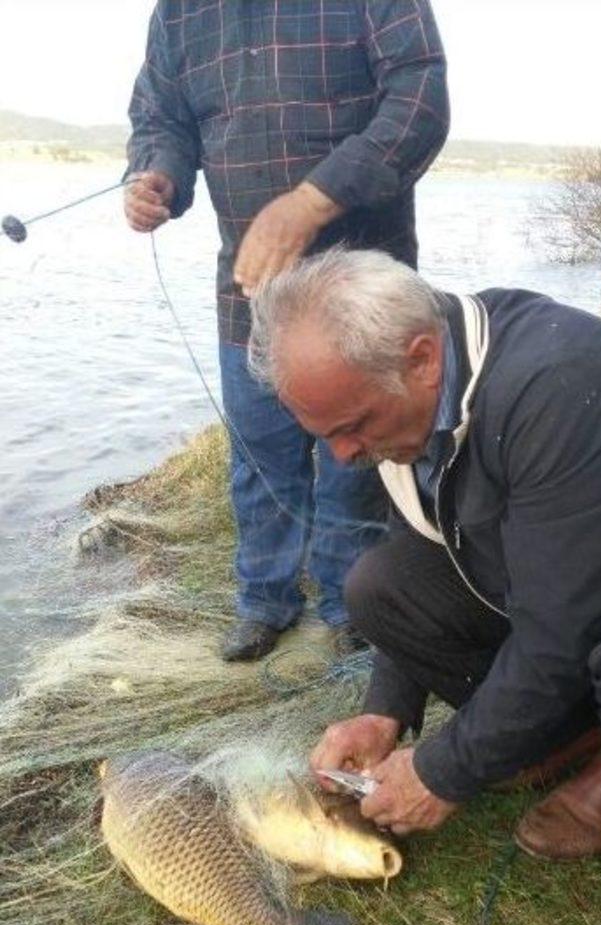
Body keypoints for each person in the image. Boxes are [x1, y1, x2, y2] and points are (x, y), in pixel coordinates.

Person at [248, 247, 601, 860]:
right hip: (572, 577)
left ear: (423, 359)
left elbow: (561, 630)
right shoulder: (404, 396)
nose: (346, 454)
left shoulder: (558, 386)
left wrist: (444, 772)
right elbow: (438, 546)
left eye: (353, 427)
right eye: (327, 436)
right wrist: (386, 712)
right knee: (379, 584)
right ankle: (570, 733)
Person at [123, 1, 450, 662]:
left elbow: (420, 101)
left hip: (362, 291)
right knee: (258, 456)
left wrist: (313, 200)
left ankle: (351, 599)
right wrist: (155, 174)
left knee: (356, 454)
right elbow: (162, 118)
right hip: (248, 291)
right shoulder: (180, 13)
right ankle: (265, 599)